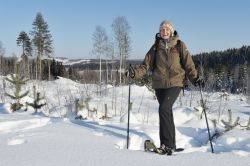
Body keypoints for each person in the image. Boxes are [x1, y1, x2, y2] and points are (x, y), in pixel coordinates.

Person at [126, 20, 204, 155]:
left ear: (172, 31)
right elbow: (146, 66)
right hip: (159, 85)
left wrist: (195, 78)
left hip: (175, 82)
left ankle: (166, 144)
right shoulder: (156, 47)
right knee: (165, 112)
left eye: (167, 29)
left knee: (164, 109)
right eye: (162, 30)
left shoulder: (179, 45)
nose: (165, 32)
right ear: (159, 32)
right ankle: (170, 145)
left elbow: (188, 64)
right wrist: (134, 73)